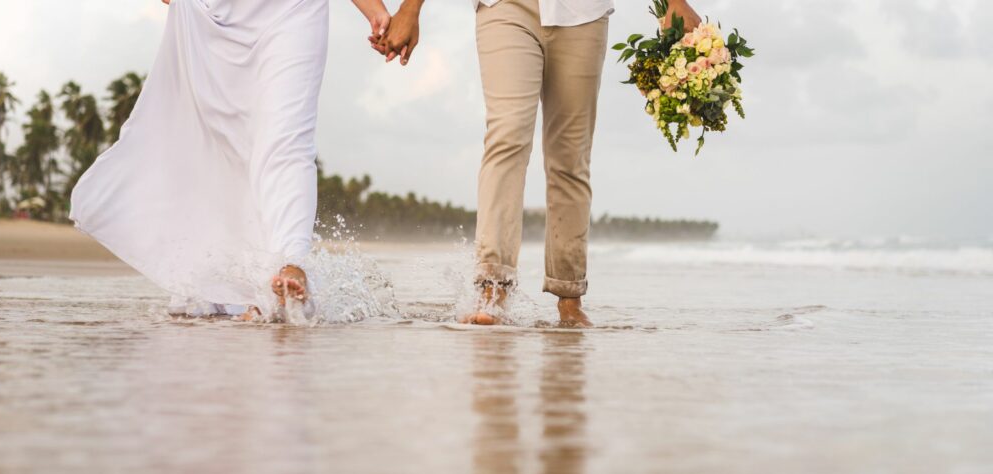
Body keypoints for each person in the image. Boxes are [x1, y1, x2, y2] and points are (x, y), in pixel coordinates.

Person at [378, 0, 701, 327]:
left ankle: (570, 298)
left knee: (570, 156)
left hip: (583, 14)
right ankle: (492, 290)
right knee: (507, 136)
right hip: (504, 8)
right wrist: (411, 8)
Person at [70, 0, 392, 320]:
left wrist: (376, 12)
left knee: (288, 139)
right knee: (217, 143)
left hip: (295, 9)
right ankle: (234, 286)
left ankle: (292, 263)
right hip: (214, 13)